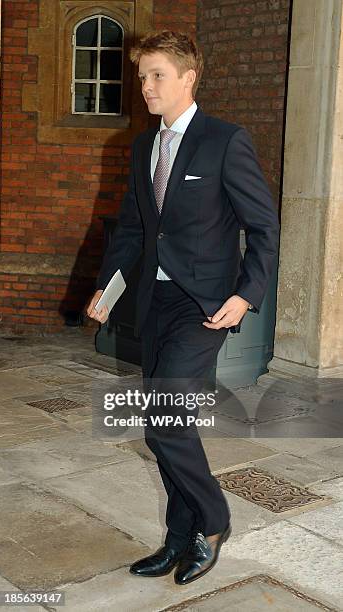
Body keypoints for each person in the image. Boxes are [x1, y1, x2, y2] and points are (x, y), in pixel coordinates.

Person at [87, 30, 280, 585]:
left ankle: (214, 521)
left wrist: (246, 295)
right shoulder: (145, 147)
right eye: (141, 76)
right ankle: (178, 537)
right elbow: (133, 227)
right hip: (154, 298)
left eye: (157, 76)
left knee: (161, 424)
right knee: (169, 419)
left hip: (206, 306)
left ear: (188, 78)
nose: (145, 87)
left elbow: (263, 227)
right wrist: (109, 286)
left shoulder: (225, 140)